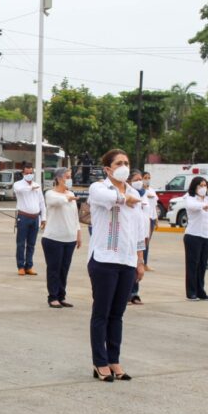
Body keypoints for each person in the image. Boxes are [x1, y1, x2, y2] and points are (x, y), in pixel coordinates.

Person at [87, 149, 145, 382]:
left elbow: (139, 230)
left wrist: (140, 260)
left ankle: (114, 359)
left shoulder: (134, 192)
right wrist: (124, 198)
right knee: (101, 312)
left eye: (127, 163)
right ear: (108, 169)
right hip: (104, 259)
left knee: (117, 314)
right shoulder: (99, 188)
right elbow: (106, 199)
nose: (124, 167)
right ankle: (100, 362)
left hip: (127, 260)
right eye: (119, 163)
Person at [41, 168, 81, 308]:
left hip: (69, 238)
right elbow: (56, 202)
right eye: (66, 177)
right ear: (58, 178)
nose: (69, 179)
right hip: (53, 239)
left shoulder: (71, 194)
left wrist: (78, 233)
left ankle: (61, 295)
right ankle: (52, 297)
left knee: (64, 269)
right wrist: (67, 198)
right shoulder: (50, 193)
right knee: (54, 268)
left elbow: (75, 217)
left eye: (70, 177)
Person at [183, 177, 208, 301]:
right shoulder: (189, 198)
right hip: (193, 235)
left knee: (202, 265)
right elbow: (192, 206)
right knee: (193, 265)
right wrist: (203, 206)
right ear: (195, 187)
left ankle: (200, 291)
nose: (203, 188)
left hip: (206, 236)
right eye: (200, 185)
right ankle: (191, 292)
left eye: (205, 185)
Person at [13, 163, 46, 276]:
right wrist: (30, 187)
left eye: (31, 173)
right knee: (21, 243)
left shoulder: (37, 185)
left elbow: (42, 202)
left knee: (31, 244)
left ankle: (29, 266)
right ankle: (20, 266)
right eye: (26, 173)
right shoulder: (18, 184)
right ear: (23, 173)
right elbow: (19, 191)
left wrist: (44, 218)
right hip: (23, 217)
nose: (29, 175)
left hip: (35, 217)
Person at [128, 170, 151, 305]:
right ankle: (127, 293)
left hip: (142, 234)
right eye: (136, 179)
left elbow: (148, 215)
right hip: (130, 235)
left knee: (139, 264)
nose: (140, 182)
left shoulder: (145, 194)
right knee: (130, 265)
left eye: (140, 179)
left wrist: (146, 234)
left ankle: (134, 293)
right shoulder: (128, 194)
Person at [141, 171, 158, 271]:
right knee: (141, 241)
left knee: (147, 242)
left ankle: (145, 263)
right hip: (144, 218)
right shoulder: (141, 191)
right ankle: (141, 262)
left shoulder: (152, 190)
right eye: (145, 177)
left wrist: (156, 220)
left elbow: (154, 206)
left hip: (151, 218)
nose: (147, 179)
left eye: (149, 177)